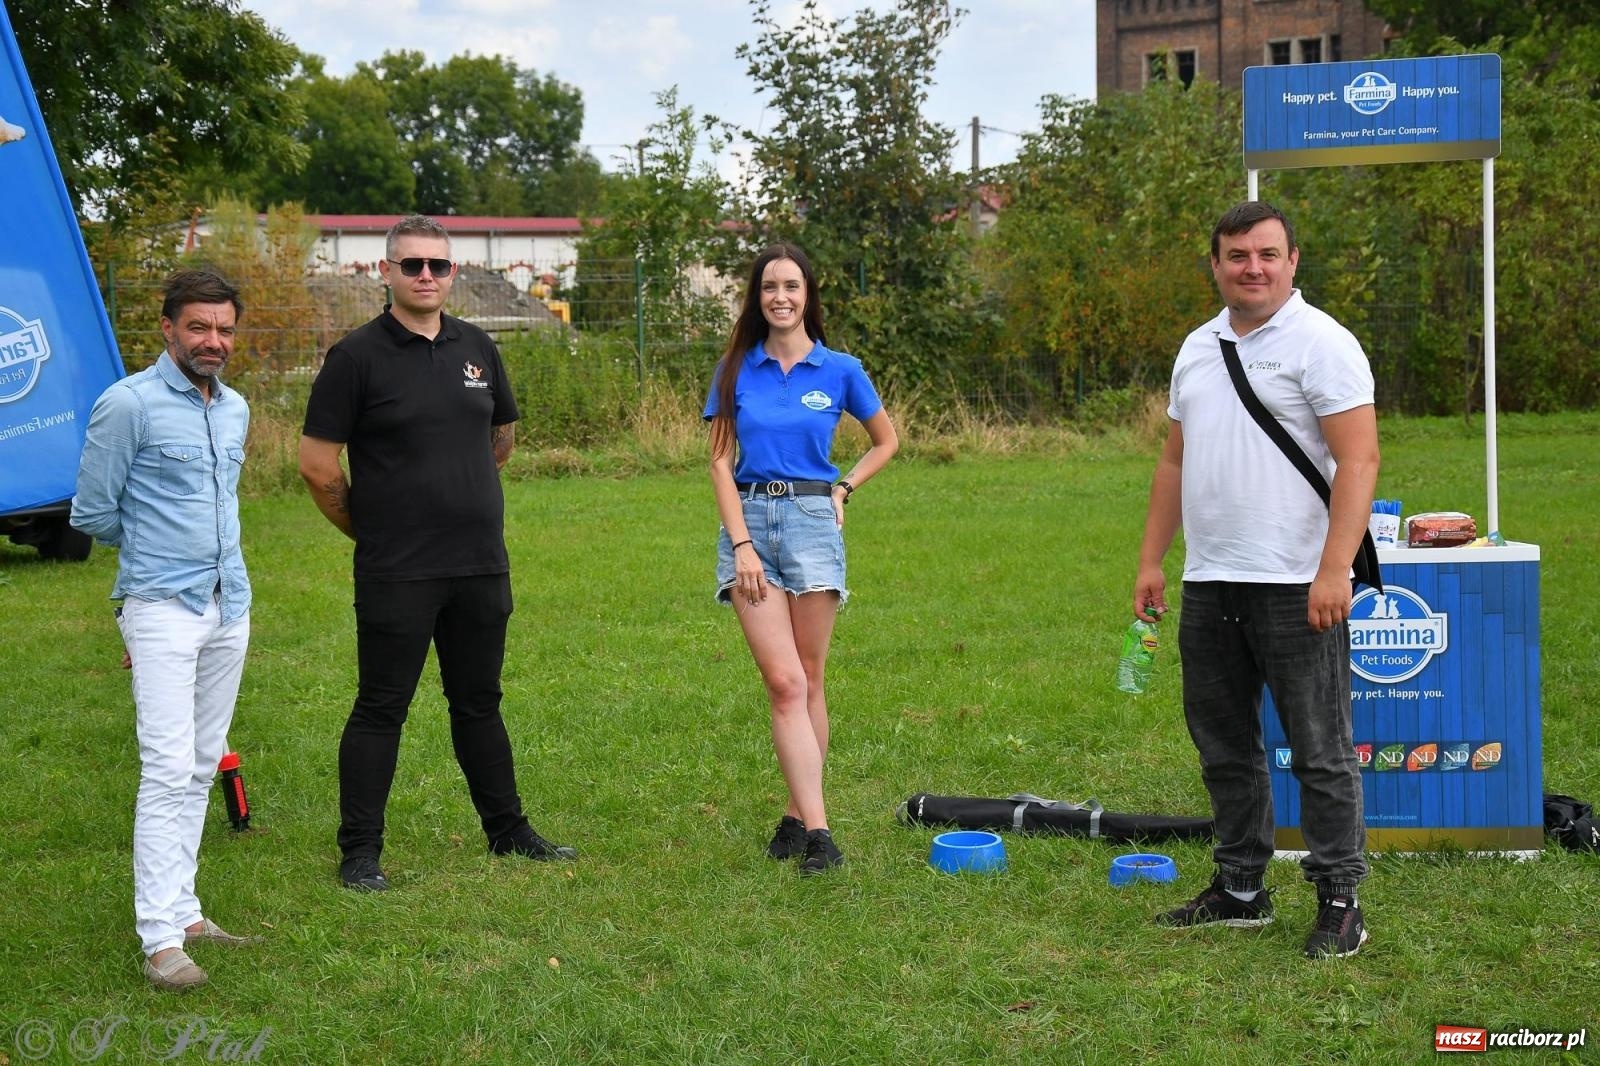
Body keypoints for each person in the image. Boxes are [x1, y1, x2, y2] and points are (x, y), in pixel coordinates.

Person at [299, 214, 574, 893]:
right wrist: (372, 528)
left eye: (438, 265)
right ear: (385, 272)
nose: (427, 275)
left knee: (478, 700)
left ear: (452, 273)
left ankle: (509, 831)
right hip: (398, 568)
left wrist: (459, 497)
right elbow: (316, 466)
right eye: (413, 264)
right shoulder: (356, 357)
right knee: (380, 707)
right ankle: (360, 851)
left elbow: (500, 438)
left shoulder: (477, 345)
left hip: (479, 562)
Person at [1133, 201, 1380, 959]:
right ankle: (1241, 888)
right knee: (1223, 747)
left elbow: (1360, 460)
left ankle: (1341, 900)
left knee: (1319, 750)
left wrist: (1334, 568)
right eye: (1237, 255)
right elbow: (1175, 461)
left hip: (1296, 583)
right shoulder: (1197, 347)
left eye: (1268, 254)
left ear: (1293, 261)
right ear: (1214, 265)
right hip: (1212, 582)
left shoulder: (1323, 344)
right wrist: (1151, 560)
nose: (1253, 267)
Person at [71, 269, 255, 991]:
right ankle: (159, 941)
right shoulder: (128, 405)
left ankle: (186, 912)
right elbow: (92, 512)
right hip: (163, 608)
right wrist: (145, 593)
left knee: (204, 766)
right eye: (200, 327)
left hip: (229, 603)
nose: (214, 341)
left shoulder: (234, 408)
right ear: (169, 329)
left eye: (225, 329)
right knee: (167, 768)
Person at [705, 243, 899, 876]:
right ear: (756, 298)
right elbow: (717, 461)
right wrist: (741, 545)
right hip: (752, 523)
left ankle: (795, 814)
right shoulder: (736, 368)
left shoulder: (839, 369)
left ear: (808, 295)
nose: (780, 297)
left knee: (810, 678)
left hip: (815, 523)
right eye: (769, 287)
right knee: (783, 682)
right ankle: (820, 833)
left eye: (791, 285)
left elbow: (886, 440)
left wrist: (844, 488)